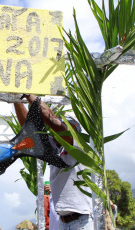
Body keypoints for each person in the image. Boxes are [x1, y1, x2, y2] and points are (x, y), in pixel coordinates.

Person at [14, 94, 93, 230]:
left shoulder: (78, 147)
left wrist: (27, 94)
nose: (60, 125)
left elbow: (53, 122)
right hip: (64, 222)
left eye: (66, 124)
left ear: (74, 131)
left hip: (82, 222)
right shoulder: (54, 148)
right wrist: (16, 99)